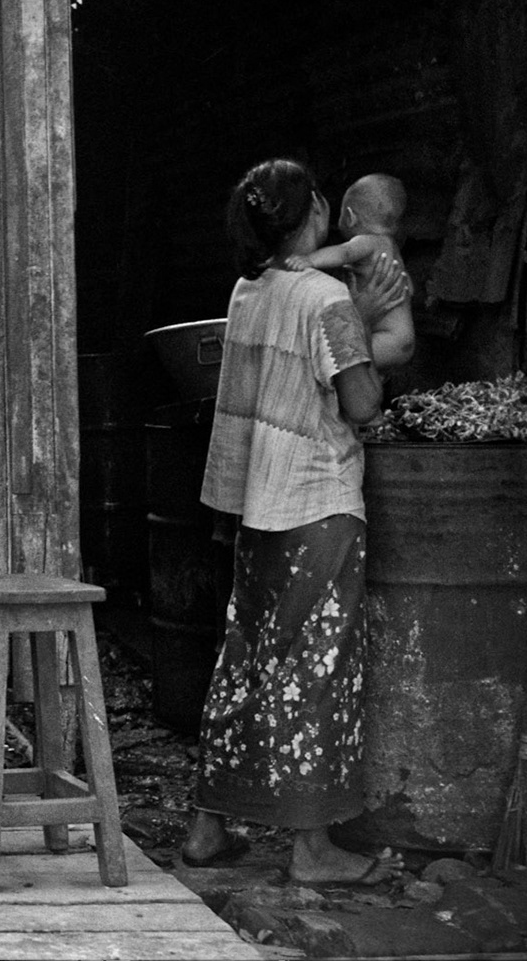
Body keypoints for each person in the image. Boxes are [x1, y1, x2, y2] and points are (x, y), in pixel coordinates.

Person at [179, 158, 410, 887]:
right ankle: (313, 850)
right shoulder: (326, 297)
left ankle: (207, 828)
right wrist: (363, 322)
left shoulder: (248, 288)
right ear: (315, 209)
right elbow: (361, 403)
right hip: (316, 503)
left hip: (258, 505)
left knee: (246, 659)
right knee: (316, 668)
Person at [285, 172, 415, 369]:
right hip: (402, 338)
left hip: (386, 338)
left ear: (349, 217)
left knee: (335, 360)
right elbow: (408, 288)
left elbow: (344, 253)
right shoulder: (391, 248)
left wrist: (310, 260)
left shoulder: (368, 242)